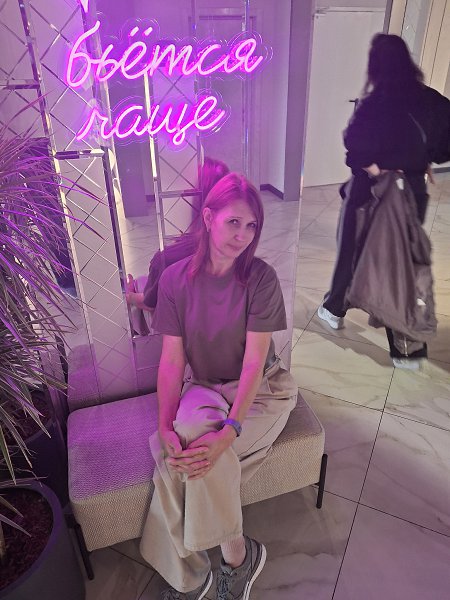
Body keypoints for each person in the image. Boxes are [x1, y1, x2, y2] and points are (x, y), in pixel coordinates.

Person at [139, 173, 298, 599]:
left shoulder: (261, 279)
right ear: (209, 218)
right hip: (205, 386)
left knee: (191, 462)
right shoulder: (174, 280)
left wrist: (229, 431)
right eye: (234, 222)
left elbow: (254, 365)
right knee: (179, 448)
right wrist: (165, 425)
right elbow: (172, 361)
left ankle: (217, 566)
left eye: (252, 226)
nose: (243, 235)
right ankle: (226, 564)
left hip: (262, 389)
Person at [318, 33, 450, 369]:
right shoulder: (433, 101)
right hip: (412, 191)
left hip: (371, 192)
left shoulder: (374, 104)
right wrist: (420, 160)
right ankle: (339, 308)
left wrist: (377, 168)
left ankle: (399, 343)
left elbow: (355, 149)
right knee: (400, 257)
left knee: (357, 251)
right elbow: (444, 147)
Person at [126, 157, 230, 313]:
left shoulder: (167, 259)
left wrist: (130, 296)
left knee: (139, 285)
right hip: (220, 317)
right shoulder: (236, 249)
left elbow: (150, 304)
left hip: (184, 324)